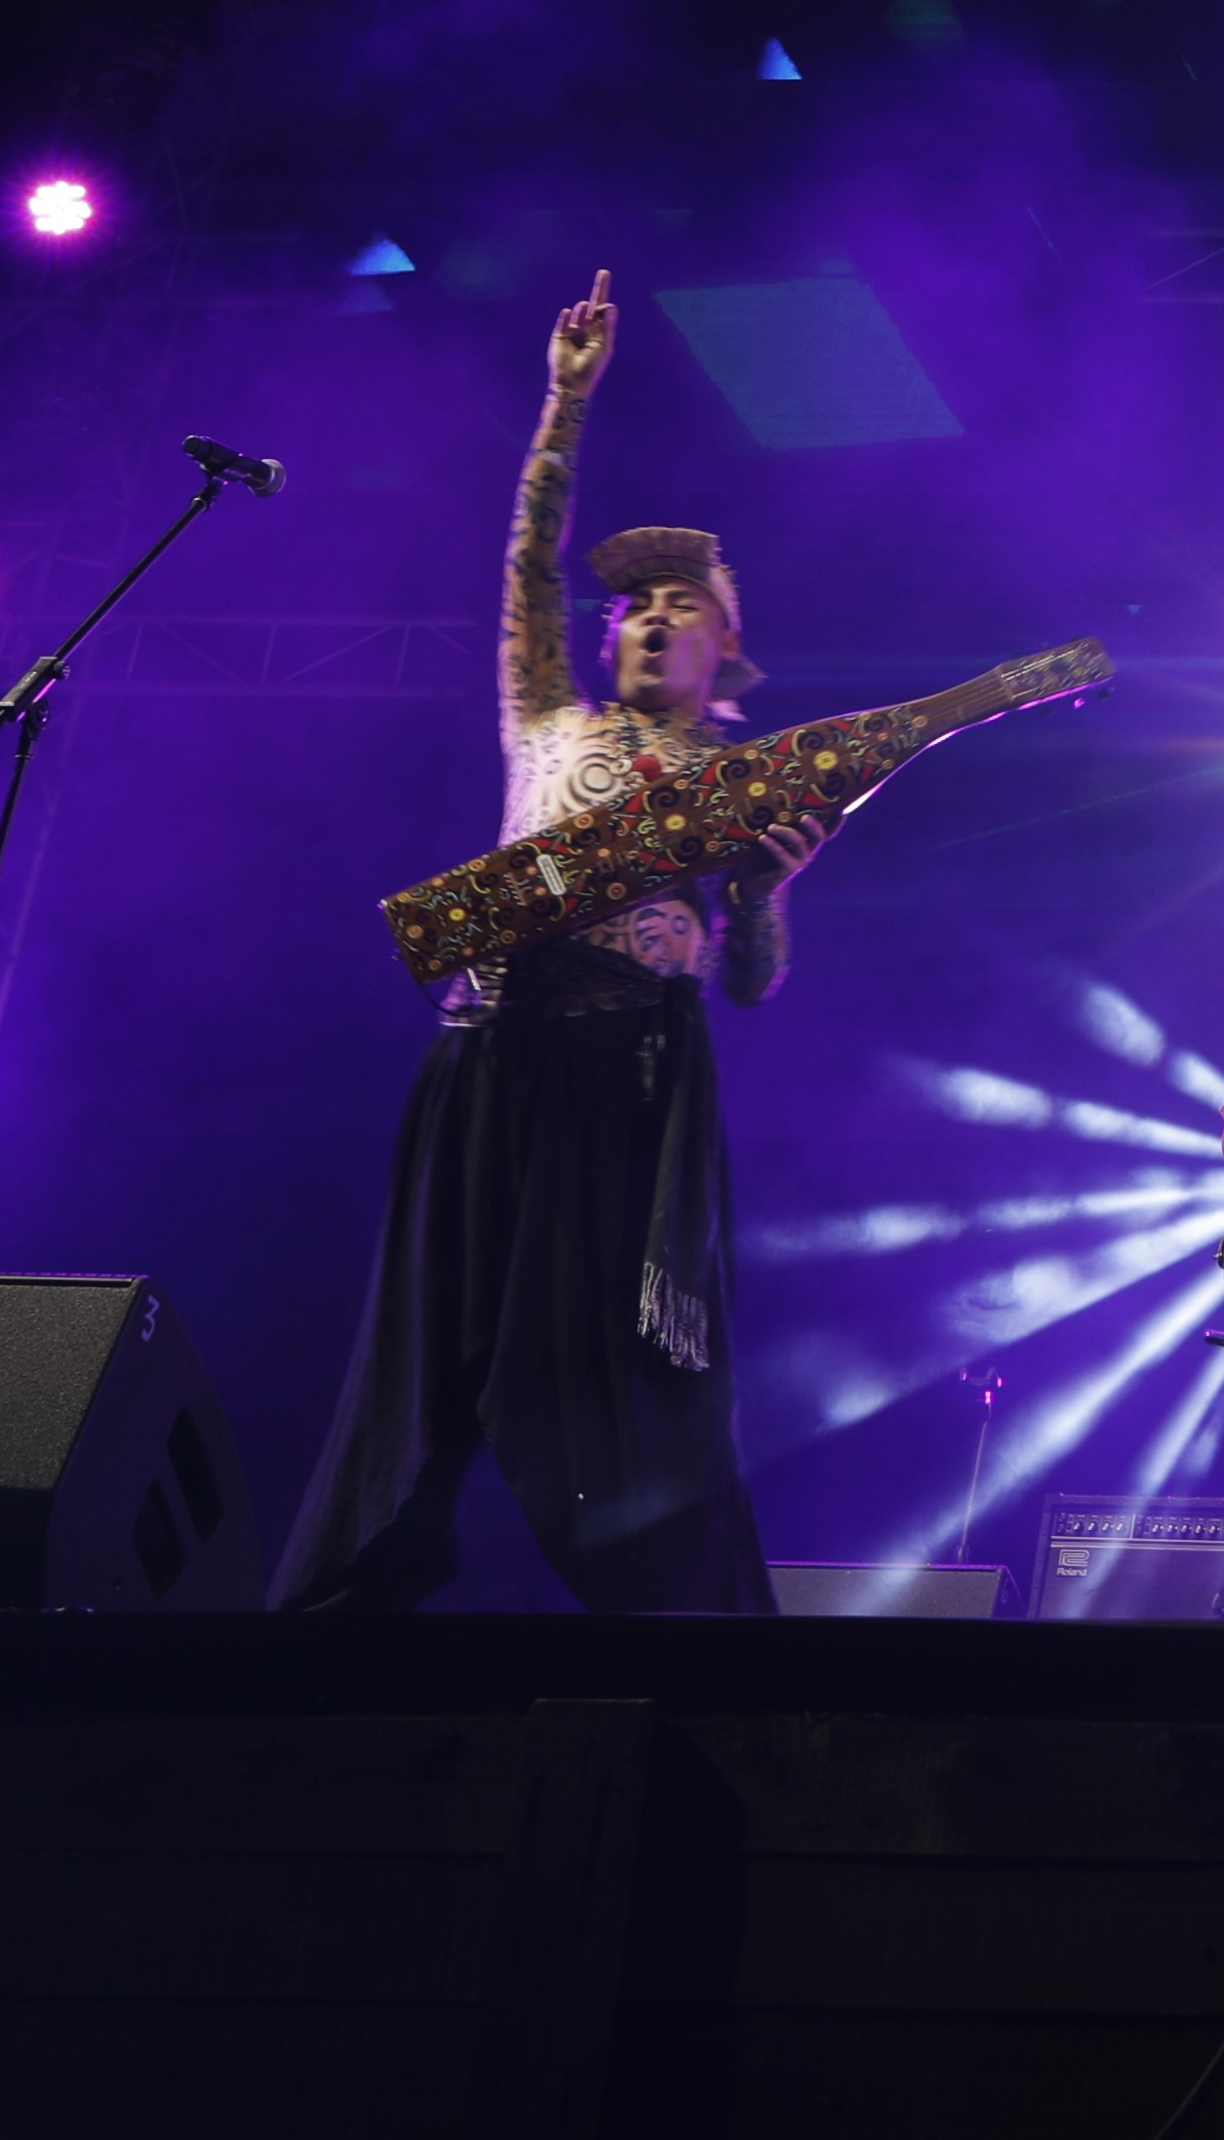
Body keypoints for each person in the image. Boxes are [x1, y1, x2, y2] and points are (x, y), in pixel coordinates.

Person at [272, 273, 820, 1613]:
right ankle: (348, 1601)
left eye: (678, 604)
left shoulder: (735, 784)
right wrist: (564, 400)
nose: (646, 617)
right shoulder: (547, 718)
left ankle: (679, 1627)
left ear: (726, 645)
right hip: (482, 1054)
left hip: (623, 1074)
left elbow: (750, 983)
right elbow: (526, 563)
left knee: (614, 1362)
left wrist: (762, 894)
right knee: (429, 1338)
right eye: (630, 605)